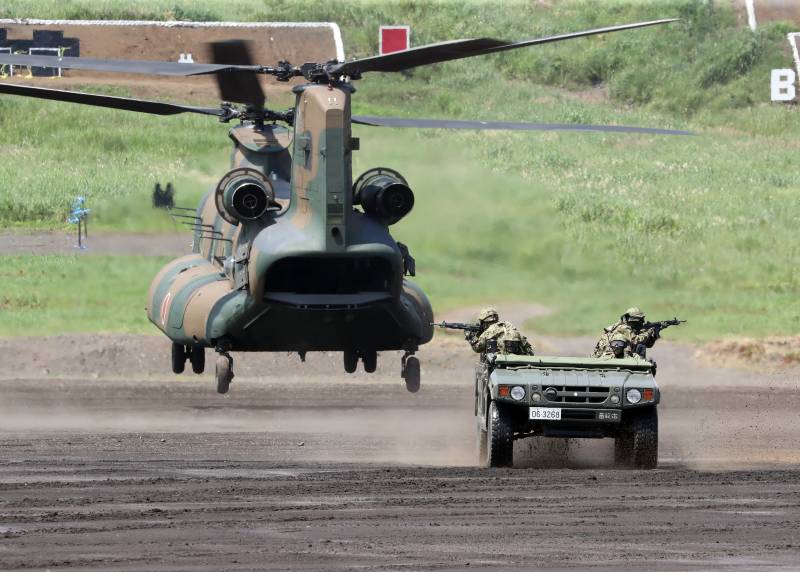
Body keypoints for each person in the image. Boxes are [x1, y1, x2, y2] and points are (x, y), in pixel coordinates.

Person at [592, 306, 658, 358]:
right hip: (611, 357)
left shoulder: (619, 327)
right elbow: (636, 340)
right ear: (634, 320)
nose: (643, 322)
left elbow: (648, 345)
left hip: (605, 356)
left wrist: (654, 334)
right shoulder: (624, 329)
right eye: (641, 320)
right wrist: (648, 332)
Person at [467, 307, 535, 356]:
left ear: (484, 321)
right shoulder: (508, 325)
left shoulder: (488, 332)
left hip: (503, 360)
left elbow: (477, 348)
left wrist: (470, 337)